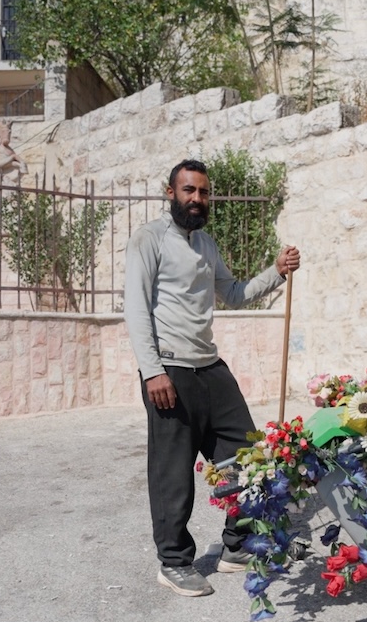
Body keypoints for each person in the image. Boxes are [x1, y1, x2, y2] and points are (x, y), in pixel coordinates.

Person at [123, 159, 300, 597]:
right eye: (188, 191)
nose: (197, 199)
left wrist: (276, 271)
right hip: (170, 370)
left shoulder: (206, 244)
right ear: (171, 193)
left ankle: (237, 547)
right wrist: (153, 371)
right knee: (173, 472)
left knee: (246, 455)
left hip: (209, 366)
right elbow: (136, 308)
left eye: (203, 192)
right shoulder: (149, 239)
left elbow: (234, 294)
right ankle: (174, 561)